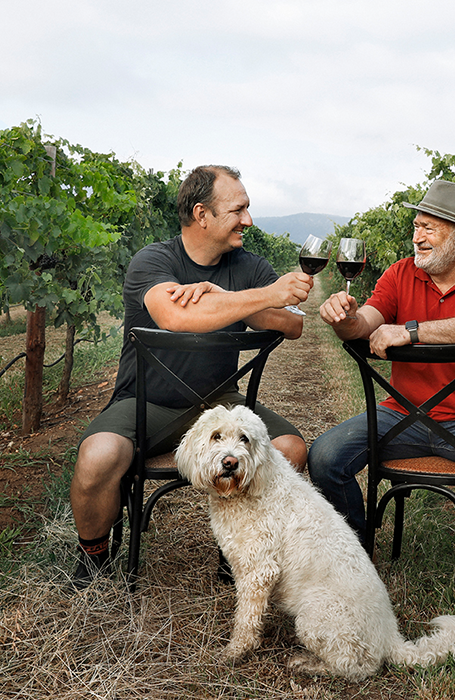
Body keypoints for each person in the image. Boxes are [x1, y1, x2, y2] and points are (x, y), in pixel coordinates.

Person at [71, 165, 312, 587]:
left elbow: (292, 325)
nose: (248, 220)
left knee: (289, 449)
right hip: (147, 403)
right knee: (97, 456)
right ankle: (94, 557)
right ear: (202, 215)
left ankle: (237, 550)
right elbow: (175, 315)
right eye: (238, 210)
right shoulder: (154, 260)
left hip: (221, 407)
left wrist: (226, 298)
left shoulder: (248, 267)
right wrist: (267, 297)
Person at [308, 180, 455, 623]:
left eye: (429, 228)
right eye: (417, 226)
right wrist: (344, 317)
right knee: (325, 456)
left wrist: (411, 331)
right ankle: (355, 551)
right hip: (402, 417)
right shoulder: (398, 274)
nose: (417, 236)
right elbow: (366, 324)